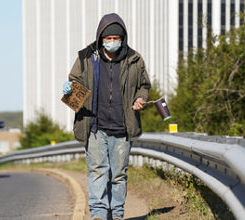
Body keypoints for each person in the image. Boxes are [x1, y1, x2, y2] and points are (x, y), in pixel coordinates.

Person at [63, 13, 151, 220]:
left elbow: (144, 86)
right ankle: (99, 214)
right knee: (97, 171)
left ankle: (118, 213)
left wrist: (140, 98)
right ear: (101, 37)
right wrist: (70, 89)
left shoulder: (134, 59)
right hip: (94, 126)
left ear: (123, 39)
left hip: (122, 127)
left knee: (119, 174)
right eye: (108, 38)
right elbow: (74, 80)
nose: (112, 42)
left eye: (116, 39)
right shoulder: (85, 57)